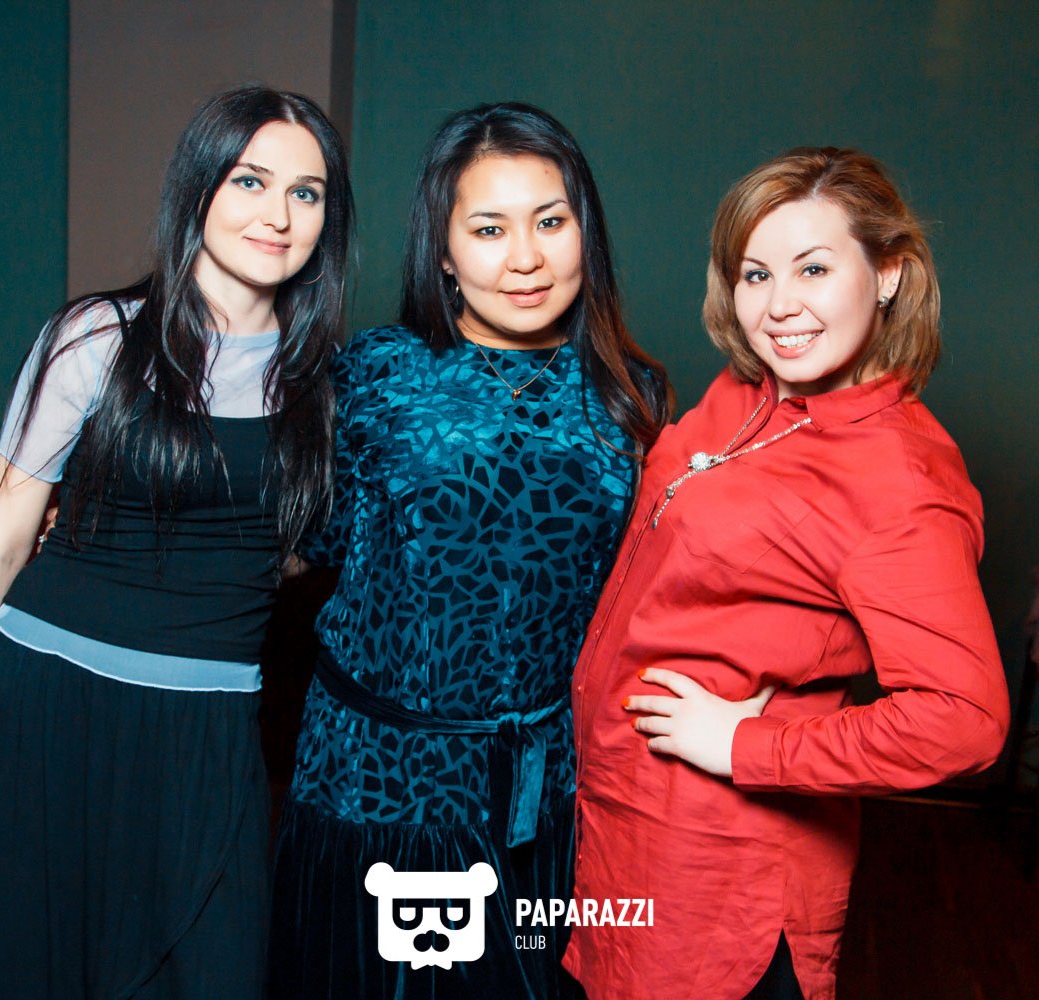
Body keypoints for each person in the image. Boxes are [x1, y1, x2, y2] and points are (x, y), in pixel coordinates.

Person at [0, 85, 353, 998]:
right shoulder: (97, 337)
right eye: (250, 180)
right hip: (42, 711)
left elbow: (290, 552)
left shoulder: (328, 385)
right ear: (197, 188)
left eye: (306, 193)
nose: (278, 213)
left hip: (205, 735)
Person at [564, 148, 1010, 1000]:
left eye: (813, 268)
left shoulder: (899, 477)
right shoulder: (745, 396)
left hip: (719, 872)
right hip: (619, 825)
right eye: (756, 274)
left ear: (888, 274)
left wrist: (748, 743)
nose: (778, 307)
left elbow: (965, 720)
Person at [268, 102, 670, 998]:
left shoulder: (632, 395)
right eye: (489, 229)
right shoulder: (375, 373)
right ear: (443, 253)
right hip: (374, 783)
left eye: (550, 222)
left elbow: (658, 598)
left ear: (586, 232)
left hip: (540, 795)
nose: (525, 258)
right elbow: (304, 542)